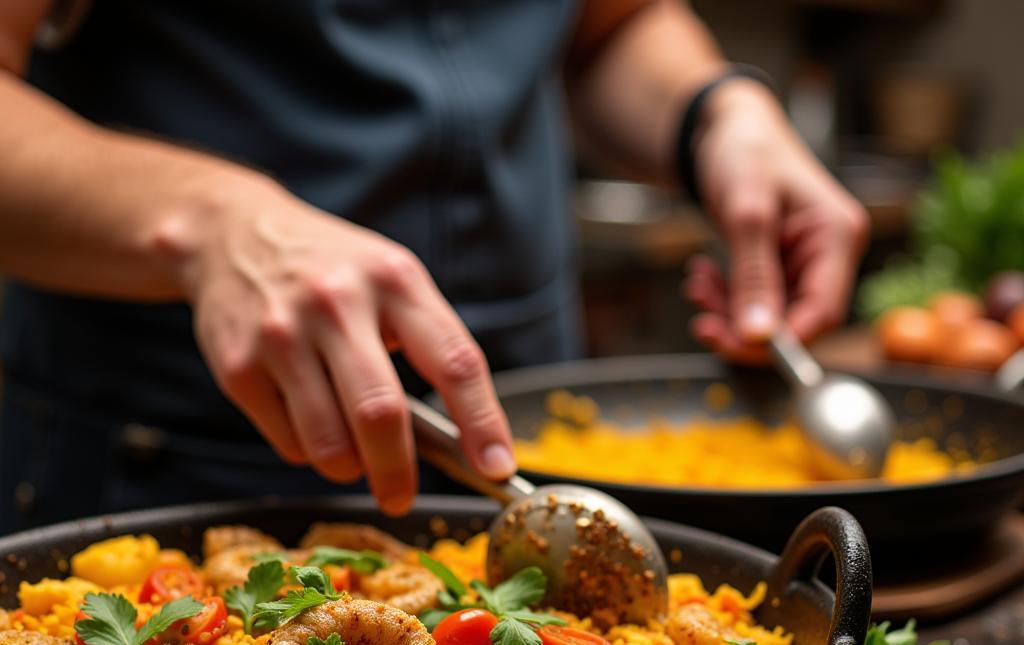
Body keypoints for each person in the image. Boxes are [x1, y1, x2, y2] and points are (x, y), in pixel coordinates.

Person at [0, 0, 868, 532]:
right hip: (182, 454)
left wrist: (713, 113)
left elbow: (611, 24)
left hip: (538, 441)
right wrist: (207, 221)